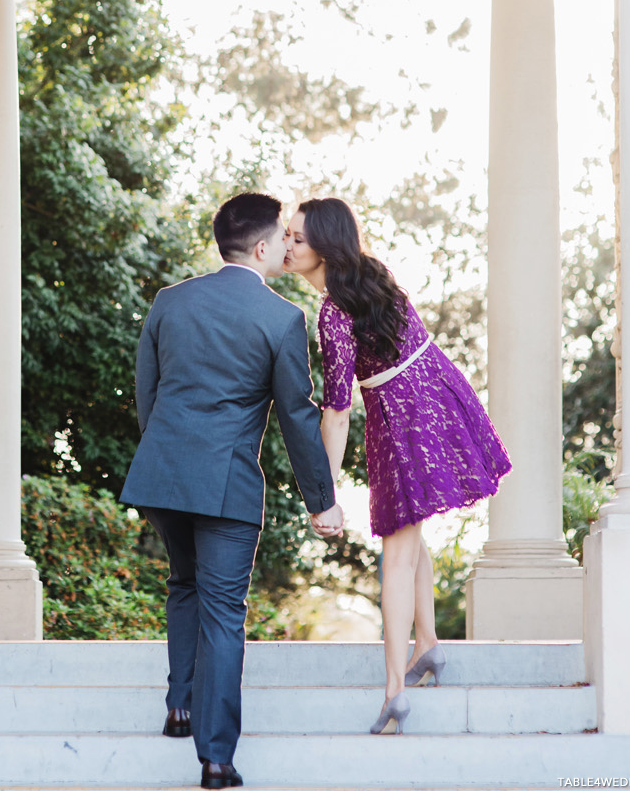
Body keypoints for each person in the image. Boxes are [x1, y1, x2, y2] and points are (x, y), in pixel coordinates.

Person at [121, 192, 343, 790]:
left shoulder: (170, 302)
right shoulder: (280, 318)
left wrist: (167, 460)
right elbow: (298, 417)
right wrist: (321, 499)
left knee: (183, 584)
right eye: (284, 240)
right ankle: (215, 758)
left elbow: (148, 394)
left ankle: (179, 706)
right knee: (223, 610)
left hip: (162, 476)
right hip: (226, 486)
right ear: (265, 246)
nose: (289, 249)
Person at [285, 196, 511, 736]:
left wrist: (327, 492)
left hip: (404, 417)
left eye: (297, 237)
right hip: (436, 391)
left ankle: (394, 689)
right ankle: (428, 643)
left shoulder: (332, 312)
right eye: (287, 236)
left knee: (397, 555)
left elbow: (337, 411)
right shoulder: (374, 276)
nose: (287, 245)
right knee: (411, 536)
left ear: (325, 244)